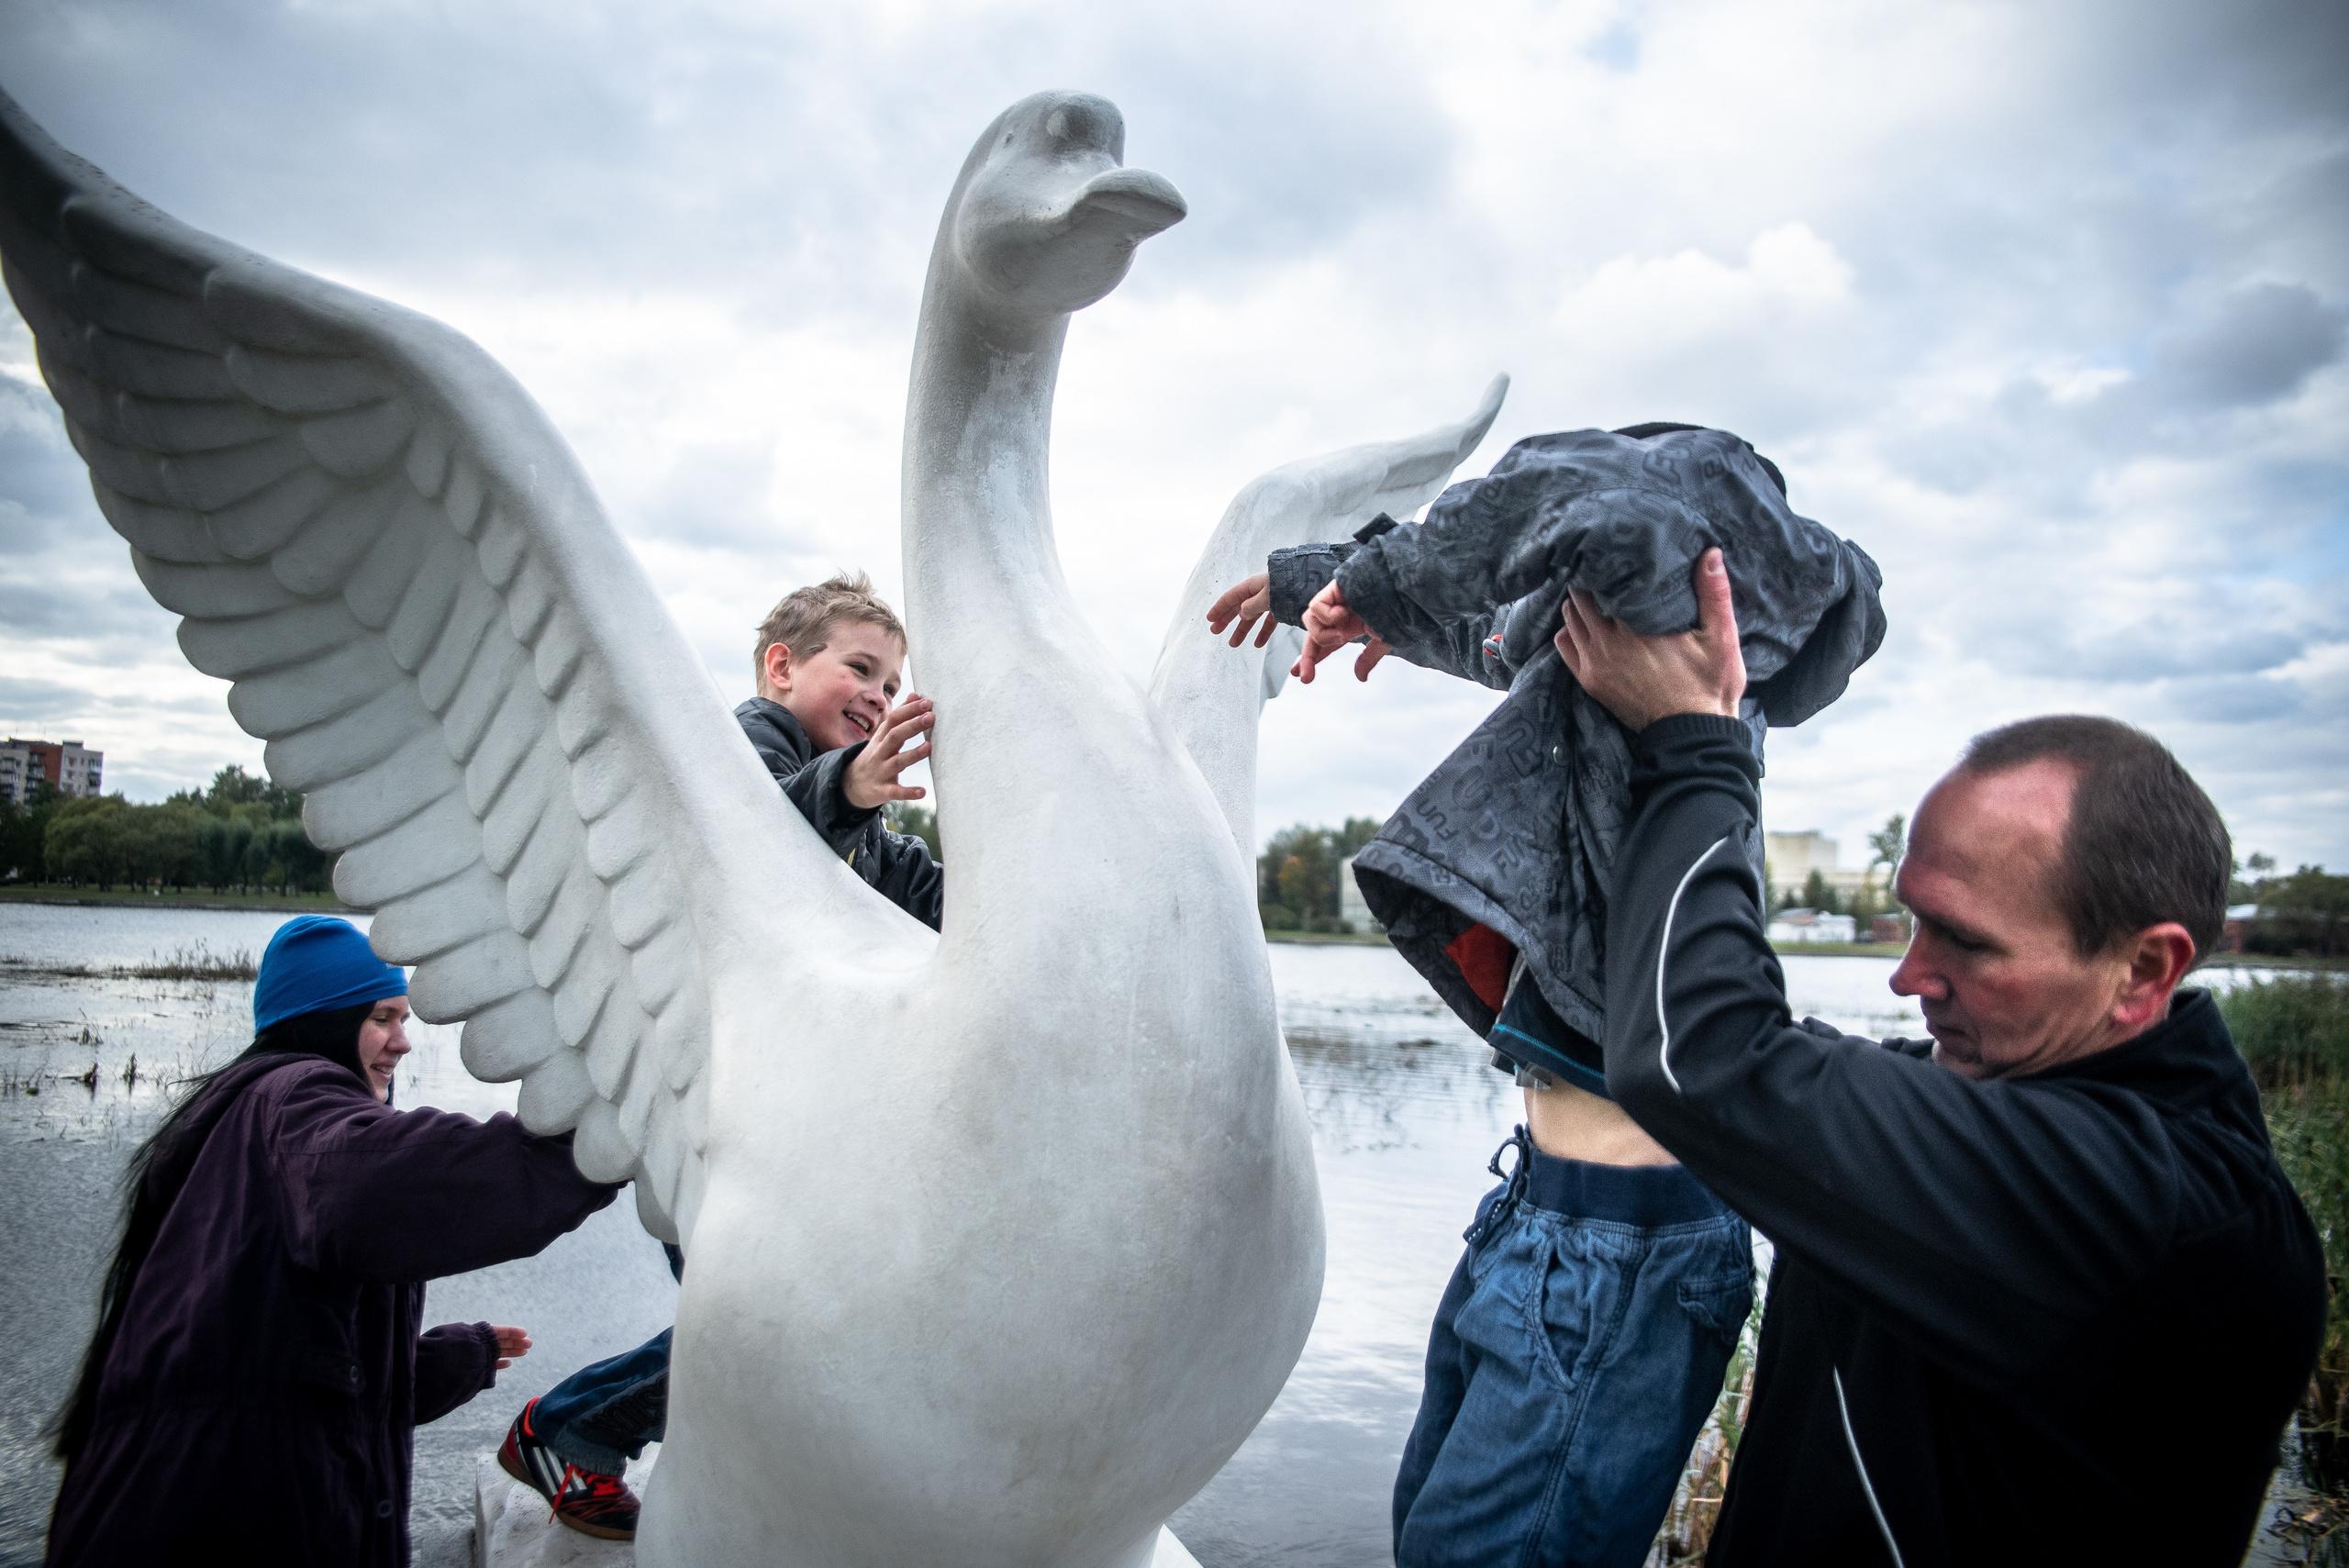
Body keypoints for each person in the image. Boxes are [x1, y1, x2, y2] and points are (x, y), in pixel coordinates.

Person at [1554, 549, 2326, 1563]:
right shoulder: (2012, 1093)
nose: (1907, 976)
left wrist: (1696, 744)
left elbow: (1705, 1058)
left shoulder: (2157, 1210)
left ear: (2143, 969)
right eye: (1913, 922)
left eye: (1964, 940)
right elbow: (1716, 1052)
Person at [1209, 424, 1883, 1567]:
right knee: (1432, 1536)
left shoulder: (1676, 588)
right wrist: (1324, 585)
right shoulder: (1629, 659)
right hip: (1549, 1210)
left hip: (1619, 1245)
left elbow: (1581, 499)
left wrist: (1361, 574)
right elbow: (1497, 627)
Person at [500, 571, 941, 1538]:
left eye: (893, 678)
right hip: (704, 1102)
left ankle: (602, 1432)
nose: (878, 692)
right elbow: (738, 840)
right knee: (765, 1325)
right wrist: (849, 787)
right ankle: (569, 1425)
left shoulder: (868, 826)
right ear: (782, 666)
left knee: (776, 1323)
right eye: (859, 667)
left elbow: (939, 898)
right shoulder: (738, 750)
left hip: (781, 1112)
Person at [44, 915, 617, 1568]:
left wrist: (459, 1357)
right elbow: (394, 1188)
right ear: (318, 1022)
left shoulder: (249, 1132)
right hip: (202, 1532)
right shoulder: (292, 1103)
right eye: (381, 1017)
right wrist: (593, 1139)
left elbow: (272, 1370)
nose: (403, 1042)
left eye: (404, 1017)